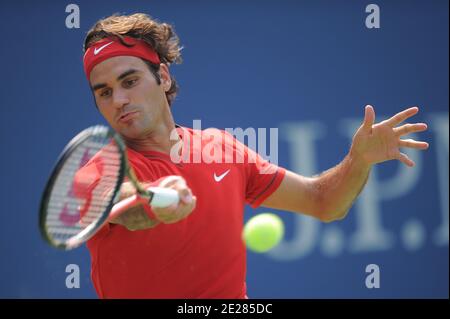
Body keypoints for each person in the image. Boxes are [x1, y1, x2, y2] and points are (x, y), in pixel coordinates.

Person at [81, 13, 429, 298]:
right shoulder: (100, 171)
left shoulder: (220, 147)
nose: (118, 100)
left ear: (164, 77)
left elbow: (324, 202)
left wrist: (359, 160)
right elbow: (127, 206)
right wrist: (155, 201)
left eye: (129, 82)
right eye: (104, 92)